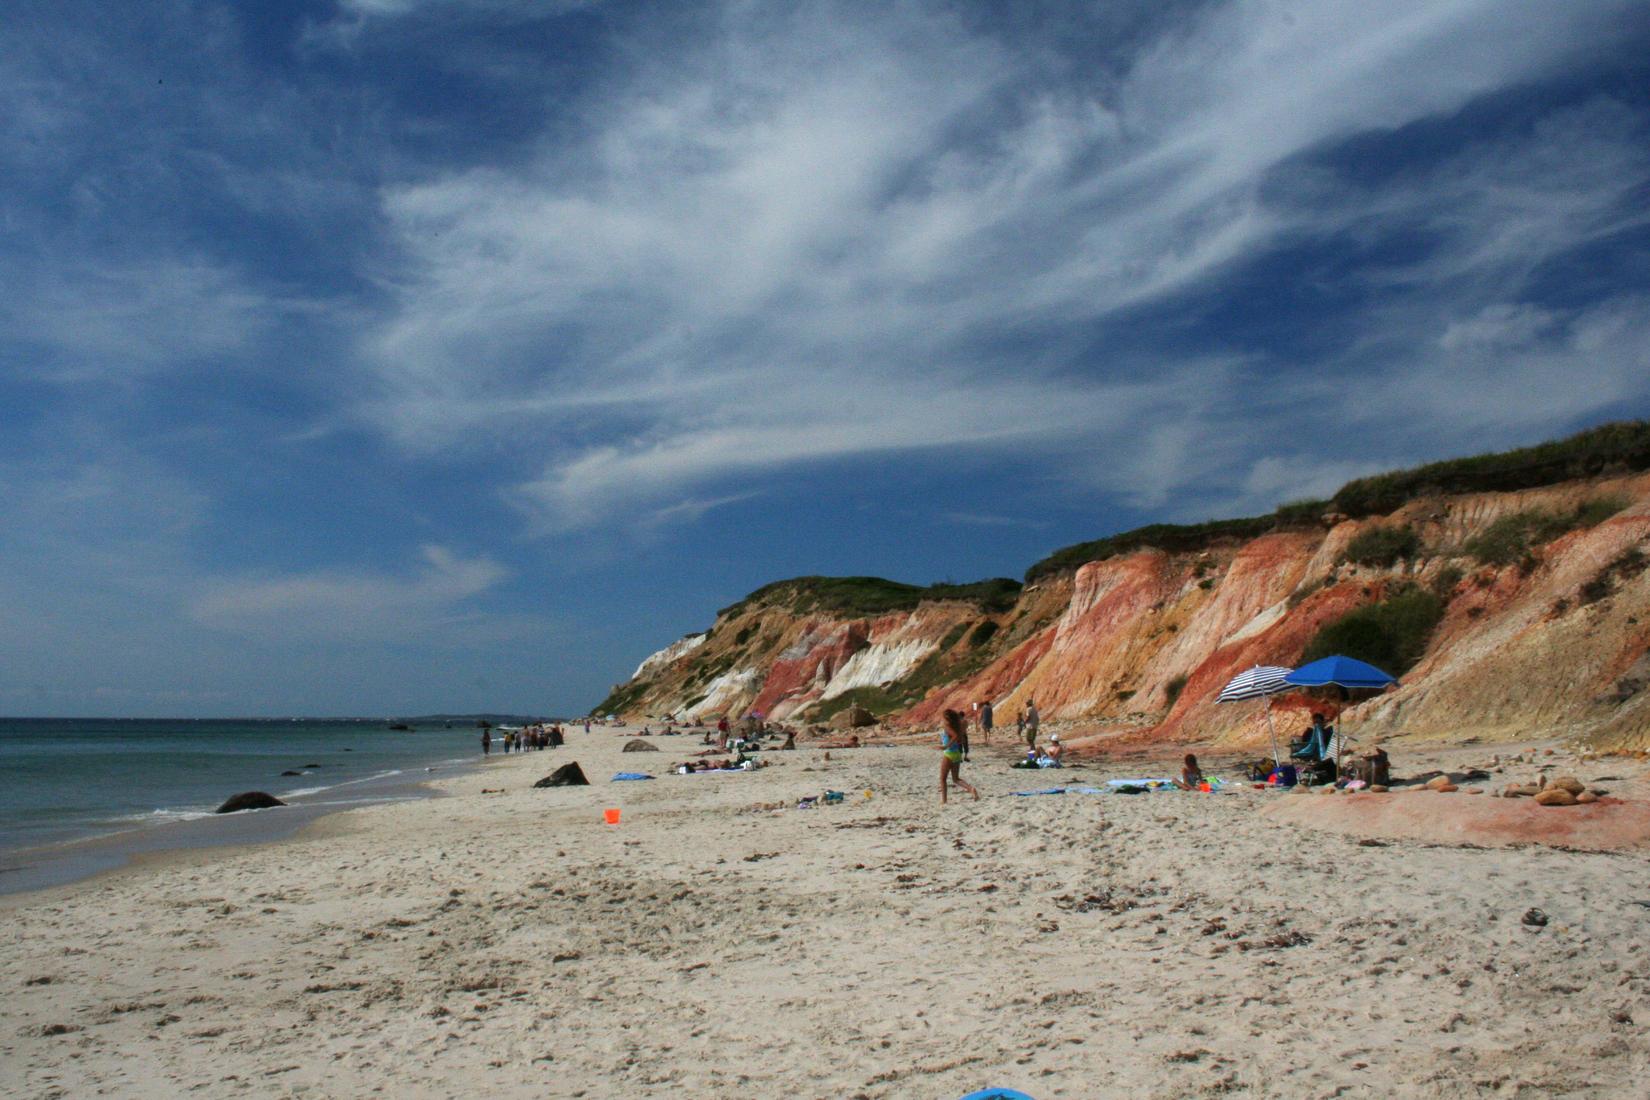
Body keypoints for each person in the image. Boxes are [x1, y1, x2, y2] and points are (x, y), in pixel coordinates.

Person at [939, 709, 979, 804]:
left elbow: (955, 736)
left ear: (947, 718)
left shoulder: (947, 726)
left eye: (943, 717)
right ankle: (971, 789)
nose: (942, 719)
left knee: (942, 779)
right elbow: (960, 739)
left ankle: (944, 801)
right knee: (956, 779)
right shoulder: (956, 726)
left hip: (949, 754)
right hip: (957, 754)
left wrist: (946, 746)